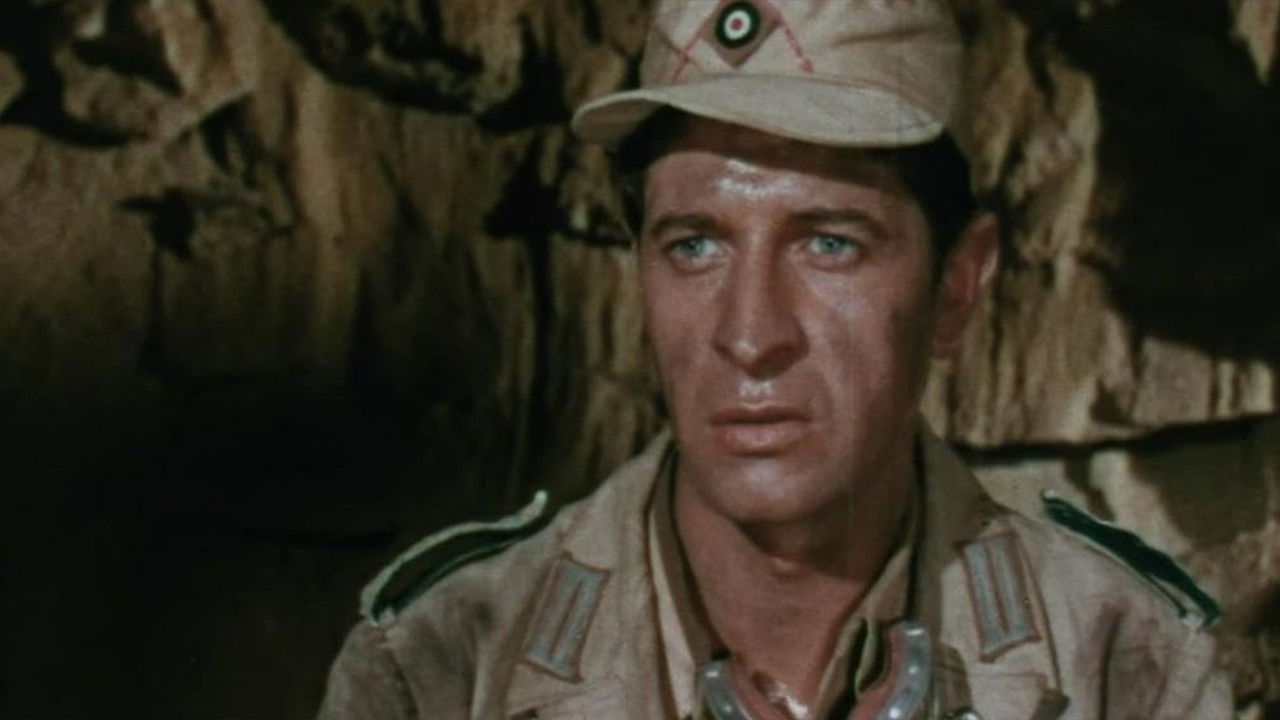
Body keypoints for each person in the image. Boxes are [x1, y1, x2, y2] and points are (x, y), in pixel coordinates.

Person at [317, 1, 1232, 718]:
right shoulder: (443, 664)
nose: (751, 336)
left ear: (955, 289)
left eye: (830, 244)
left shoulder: (1126, 661)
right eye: (694, 246)